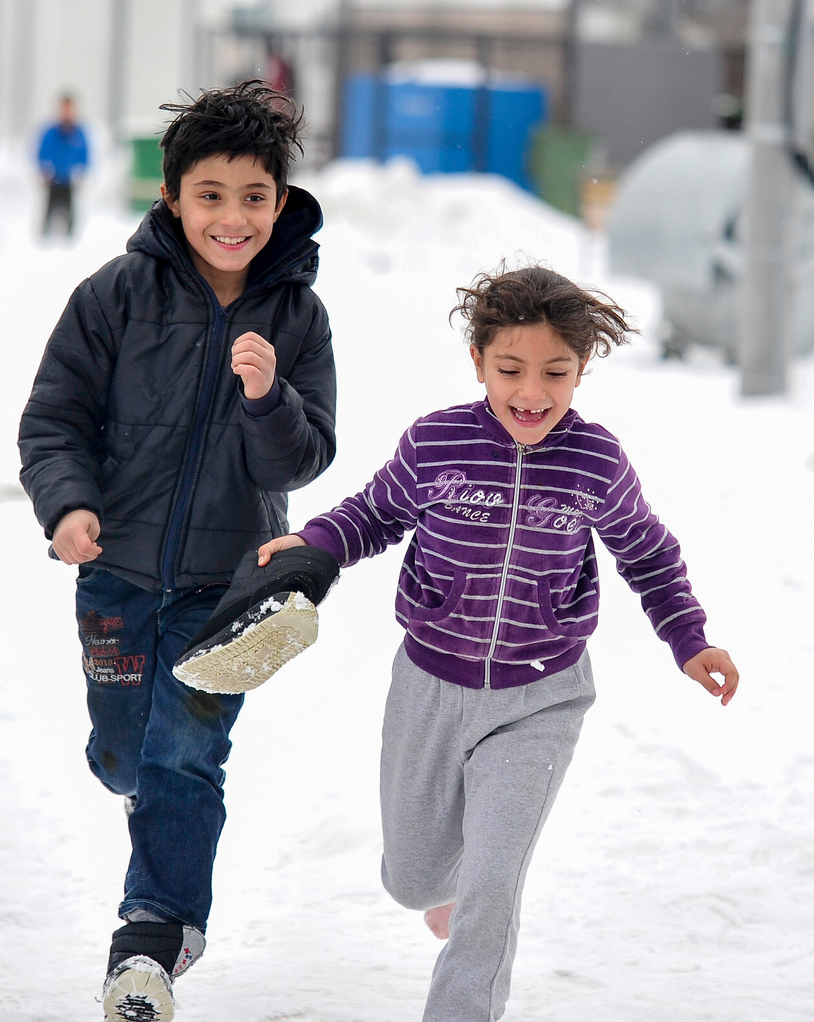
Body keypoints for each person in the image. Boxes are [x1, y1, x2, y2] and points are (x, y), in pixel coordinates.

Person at [255, 265, 740, 1022]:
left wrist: (689, 639)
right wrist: (314, 547)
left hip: (541, 697)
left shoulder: (597, 463)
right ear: (478, 362)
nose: (532, 392)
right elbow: (375, 514)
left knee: (492, 885)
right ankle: (444, 890)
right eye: (511, 369)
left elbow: (645, 550)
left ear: (582, 371)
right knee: (413, 880)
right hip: (430, 683)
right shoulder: (437, 442)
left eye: (557, 372)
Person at [17, 80, 336, 1022]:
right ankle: (141, 794)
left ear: (279, 204)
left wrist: (269, 399)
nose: (232, 218)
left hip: (229, 584)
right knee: (127, 757)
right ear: (171, 197)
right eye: (210, 195)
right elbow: (53, 418)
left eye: (253, 198)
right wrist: (67, 506)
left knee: (186, 757)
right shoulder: (114, 296)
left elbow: (308, 456)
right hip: (114, 567)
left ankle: (148, 944)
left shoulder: (298, 318)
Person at [36, 94, 88, 237]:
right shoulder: (50, 133)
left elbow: (85, 156)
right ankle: (45, 237)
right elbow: (41, 154)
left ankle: (70, 239)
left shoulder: (79, 134)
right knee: (49, 209)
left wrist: (81, 173)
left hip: (69, 180)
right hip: (53, 179)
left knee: (70, 212)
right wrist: (44, 170)